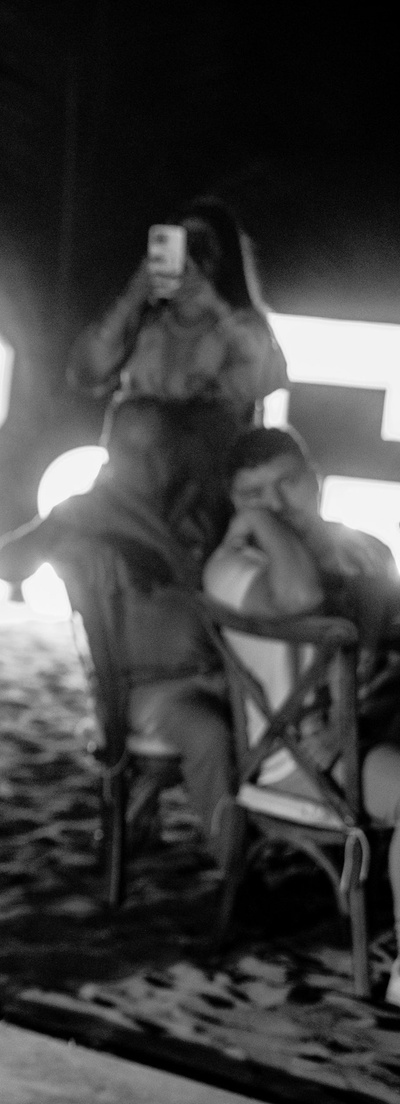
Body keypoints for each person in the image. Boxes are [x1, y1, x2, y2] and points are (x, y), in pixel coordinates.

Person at [0, 397, 239, 867]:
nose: (147, 464)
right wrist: (72, 545)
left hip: (226, 670)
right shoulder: (86, 512)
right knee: (209, 736)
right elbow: (7, 564)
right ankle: (236, 874)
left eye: (158, 450)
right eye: (132, 451)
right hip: (149, 690)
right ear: (108, 449)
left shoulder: (199, 505)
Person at [202, 426, 400, 994]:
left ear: (313, 481)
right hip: (294, 764)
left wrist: (360, 713)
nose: (276, 504)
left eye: (288, 484)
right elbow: (301, 598)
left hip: (360, 731)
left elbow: (385, 653)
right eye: (253, 496)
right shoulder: (229, 567)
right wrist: (262, 525)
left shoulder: (360, 551)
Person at [70, 197, 288, 491]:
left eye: (200, 247)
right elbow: (87, 372)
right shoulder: (144, 323)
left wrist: (216, 306)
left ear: (223, 257)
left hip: (205, 492)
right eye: (178, 245)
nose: (189, 261)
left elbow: (263, 379)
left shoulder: (240, 329)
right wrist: (134, 294)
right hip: (132, 487)